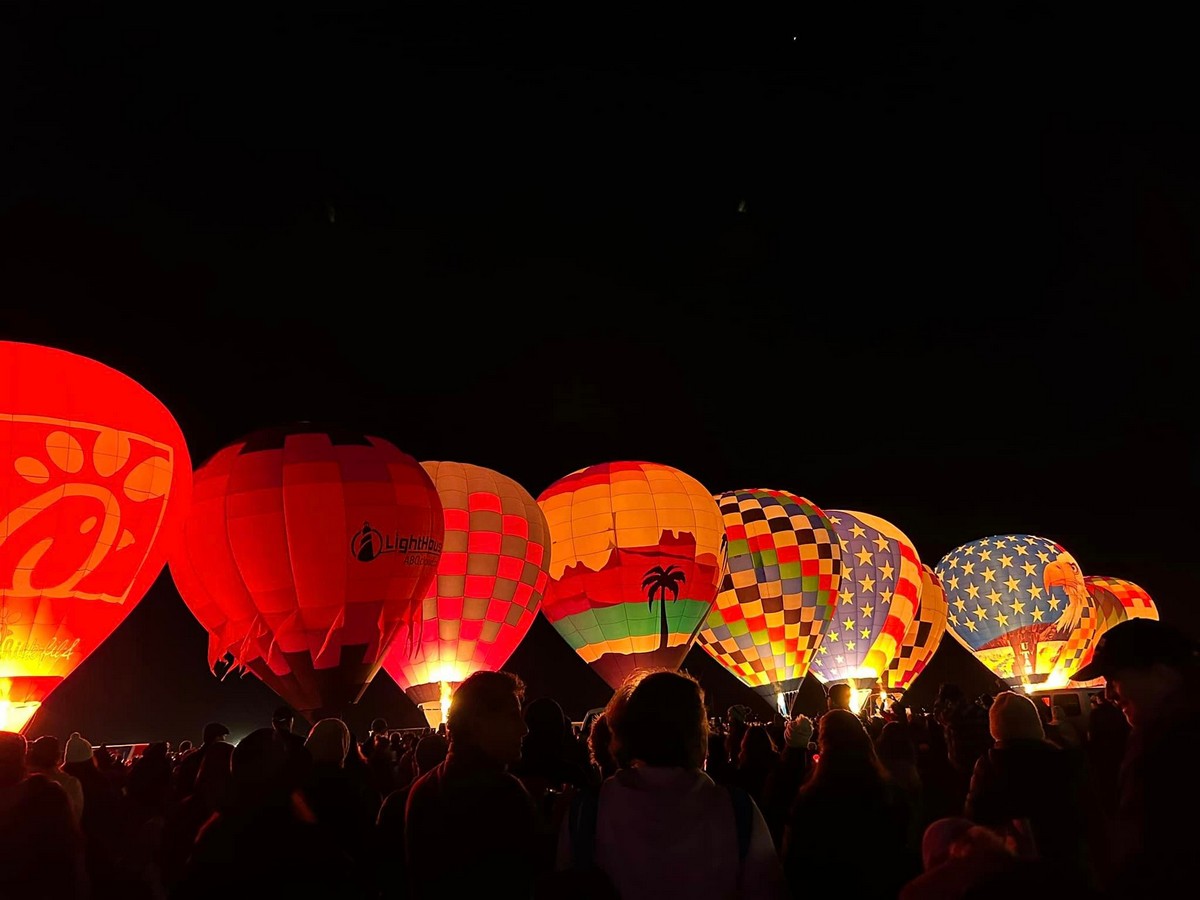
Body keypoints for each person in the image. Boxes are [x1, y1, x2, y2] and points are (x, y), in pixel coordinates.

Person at [553, 670, 788, 900]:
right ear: (699, 735)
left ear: (628, 731)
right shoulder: (739, 812)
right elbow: (767, 888)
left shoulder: (586, 812)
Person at [1069, 617, 1200, 896]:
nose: (1107, 693)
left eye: (1114, 678)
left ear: (1162, 673)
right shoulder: (1163, 732)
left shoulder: (1166, 744)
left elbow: (1150, 854)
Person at [404, 670, 541, 900]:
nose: (524, 729)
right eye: (512, 716)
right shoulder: (507, 796)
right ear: (480, 724)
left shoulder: (422, 790)